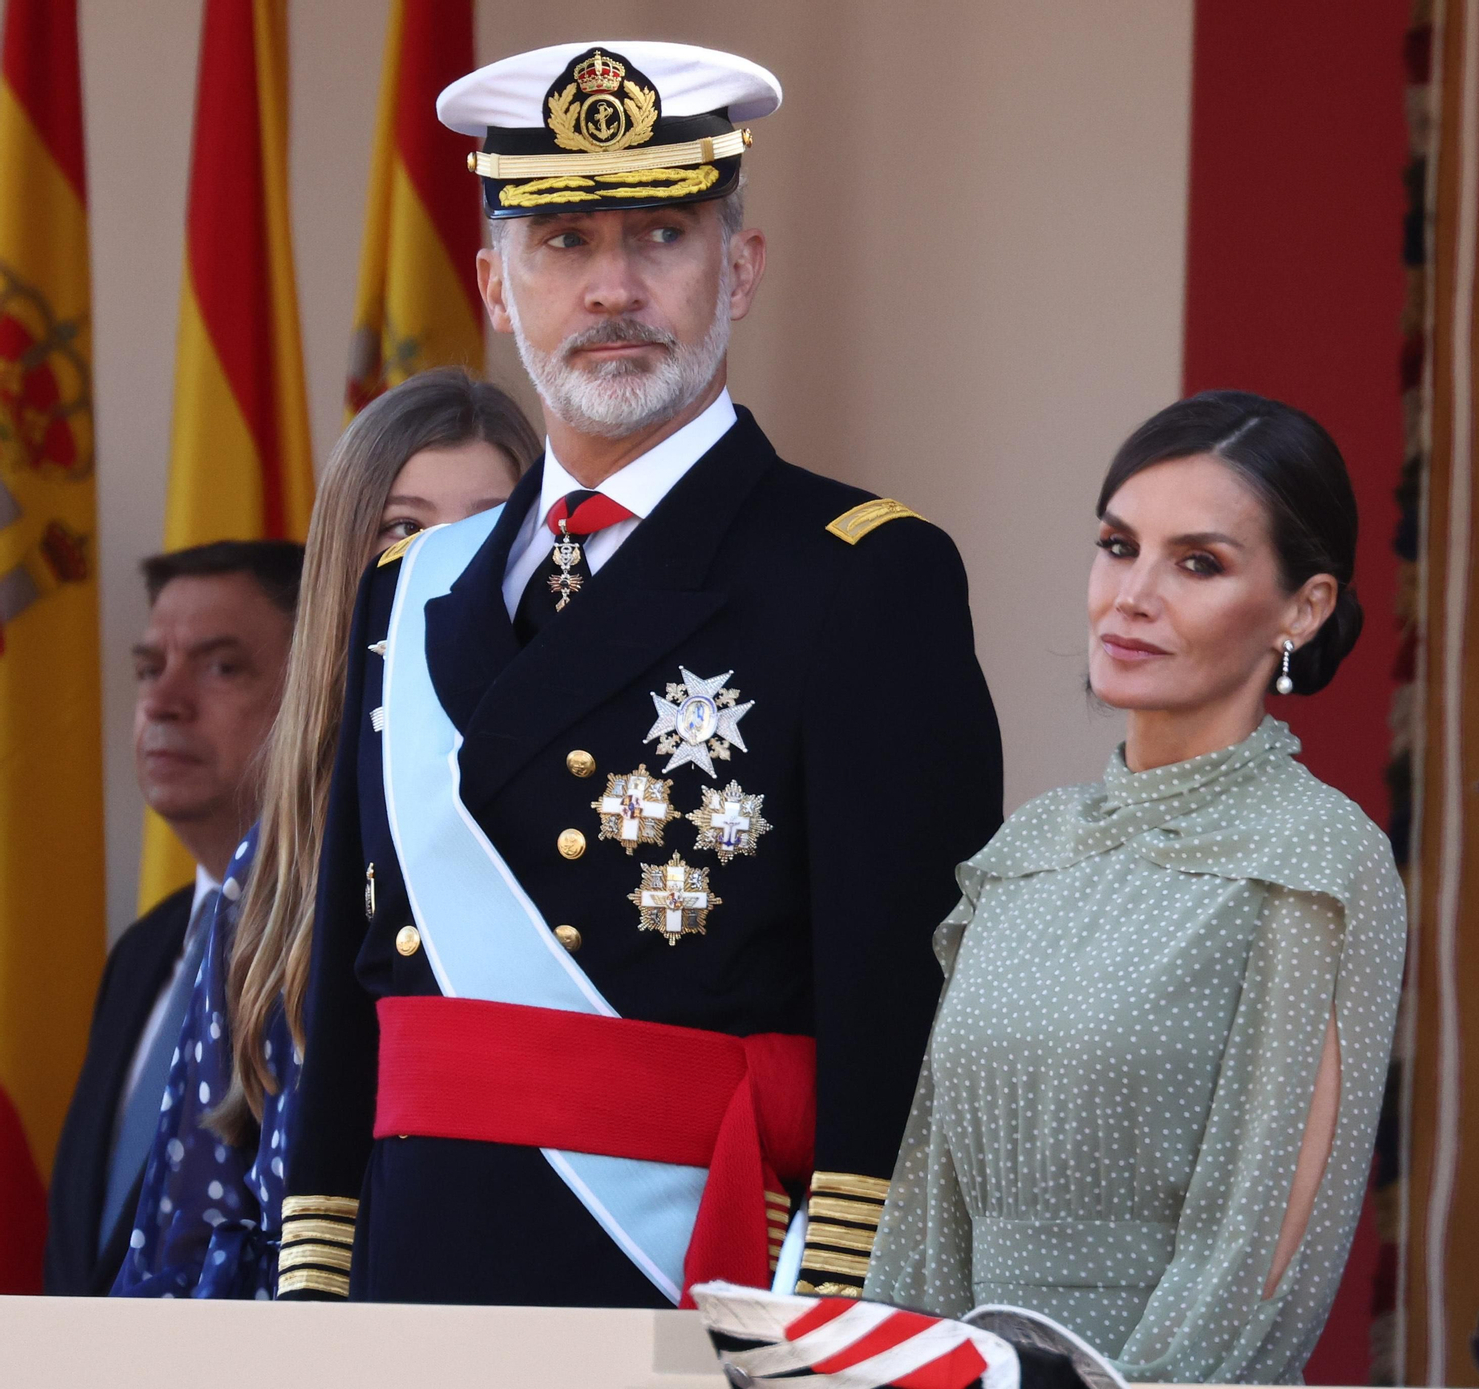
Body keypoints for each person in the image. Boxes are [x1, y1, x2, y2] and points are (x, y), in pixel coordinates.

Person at [280, 41, 1002, 1307]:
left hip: (696, 1276)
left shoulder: (860, 579)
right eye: (562, 246)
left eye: (660, 236)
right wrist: (319, 1272)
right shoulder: (411, 584)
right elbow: (355, 1000)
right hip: (415, 1271)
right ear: (495, 285)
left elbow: (901, 998)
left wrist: (833, 1301)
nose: (612, 288)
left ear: (742, 266)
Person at [863, 390, 1407, 1385]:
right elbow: (926, 1217)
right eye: (1119, 546)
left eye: (1198, 563)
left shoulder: (1315, 856)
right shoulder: (1030, 847)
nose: (1133, 595)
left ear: (1304, 607)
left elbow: (1263, 1255)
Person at [110, 370, 538, 1298]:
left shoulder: (590, 828)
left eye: (490, 520)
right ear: (347, 557)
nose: (447, 558)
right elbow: (191, 1231)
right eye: (402, 527)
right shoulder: (269, 865)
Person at [44, 541, 302, 1295]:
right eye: (149, 669)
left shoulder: (343, 943)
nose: (164, 701)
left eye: (221, 666)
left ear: (317, 684)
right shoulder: (142, 952)